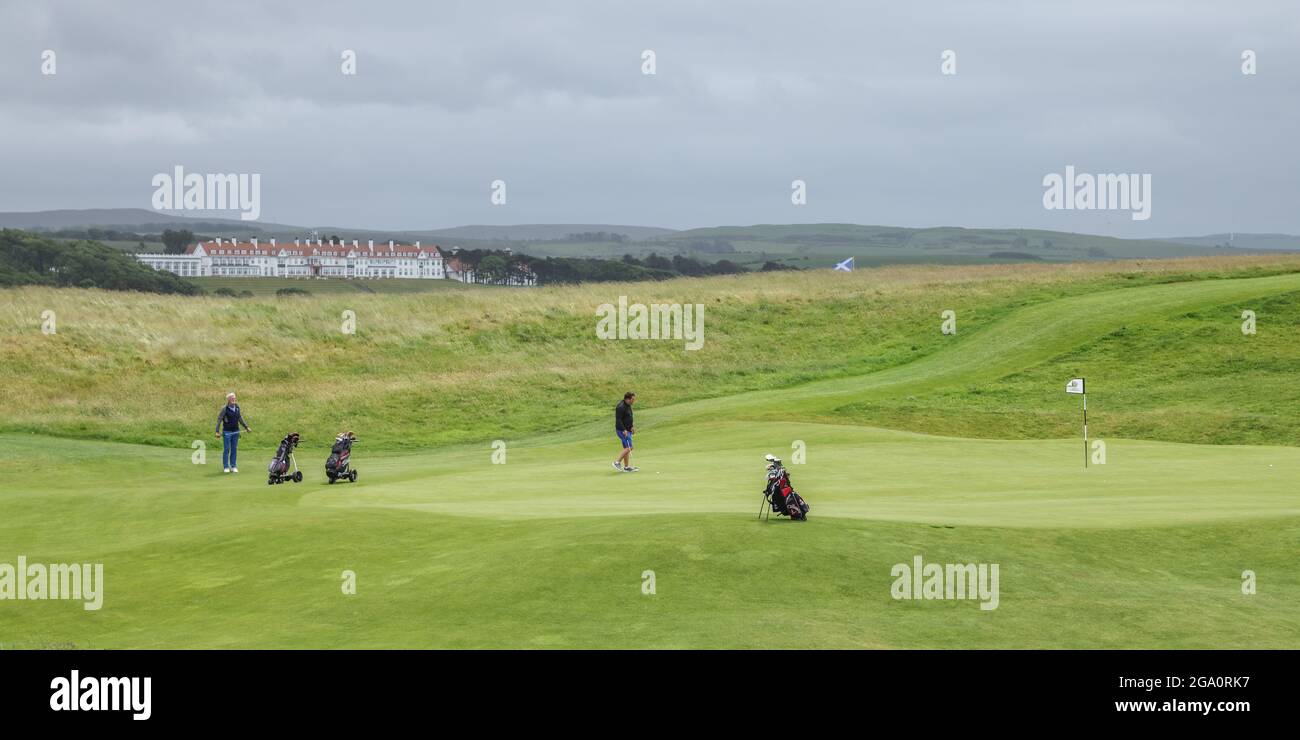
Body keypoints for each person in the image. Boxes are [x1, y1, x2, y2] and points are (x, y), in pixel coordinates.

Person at [215, 392, 251, 473]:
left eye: (234, 398)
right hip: (227, 432)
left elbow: (240, 418)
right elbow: (219, 420)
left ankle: (233, 466)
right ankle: (226, 467)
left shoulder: (237, 407)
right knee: (227, 449)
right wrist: (217, 431)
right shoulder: (224, 408)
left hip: (236, 431)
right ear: (228, 400)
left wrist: (246, 427)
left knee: (234, 449)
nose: (234, 399)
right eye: (232, 398)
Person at [612, 391, 638, 472]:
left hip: (627, 430)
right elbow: (618, 420)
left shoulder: (628, 405)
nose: (633, 401)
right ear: (627, 399)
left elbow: (629, 417)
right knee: (630, 447)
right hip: (622, 430)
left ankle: (626, 467)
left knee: (626, 448)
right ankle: (617, 462)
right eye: (632, 399)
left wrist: (632, 426)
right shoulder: (621, 407)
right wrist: (624, 430)